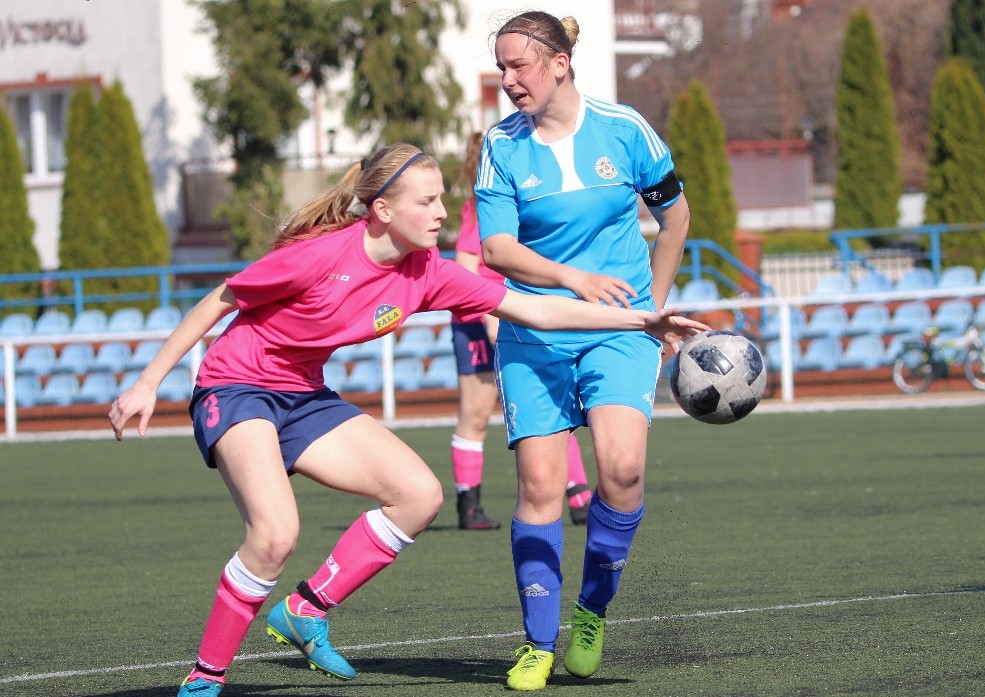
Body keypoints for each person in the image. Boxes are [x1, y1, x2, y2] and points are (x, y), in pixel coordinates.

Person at [107, 142, 706, 697]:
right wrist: (148, 381)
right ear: (383, 210)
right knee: (275, 535)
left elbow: (534, 311)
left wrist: (644, 321)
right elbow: (221, 300)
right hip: (237, 387)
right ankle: (205, 678)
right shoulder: (318, 255)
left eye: (442, 198)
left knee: (419, 496)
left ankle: (306, 610)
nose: (442, 212)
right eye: (427, 201)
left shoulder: (428, 272)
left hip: (304, 394)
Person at [476, 12, 695, 690]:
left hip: (617, 331)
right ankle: (538, 643)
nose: (508, 79)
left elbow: (675, 217)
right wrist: (572, 278)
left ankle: (592, 611)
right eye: (501, 67)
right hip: (534, 331)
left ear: (559, 63)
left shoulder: (624, 129)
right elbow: (496, 249)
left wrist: (651, 310)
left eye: (519, 65)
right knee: (541, 487)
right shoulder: (500, 145)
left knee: (622, 471)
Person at [450, 131, 594, 530]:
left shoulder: (528, 201)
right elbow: (465, 264)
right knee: (477, 413)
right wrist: (488, 316)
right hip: (482, 321)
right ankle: (468, 504)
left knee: (553, 401)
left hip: (522, 314)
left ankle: (579, 494)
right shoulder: (483, 204)